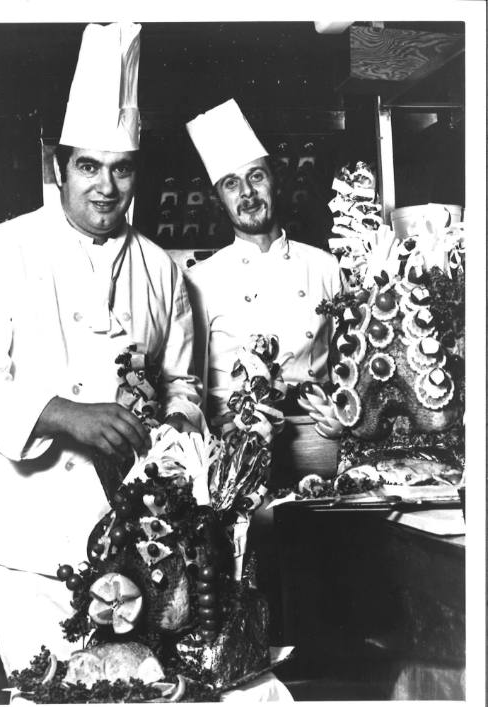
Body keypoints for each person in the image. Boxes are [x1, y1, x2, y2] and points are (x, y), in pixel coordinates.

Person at [0, 23, 202, 678]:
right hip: (33, 544)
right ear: (58, 165)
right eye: (88, 166)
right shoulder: (5, 250)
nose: (106, 187)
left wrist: (180, 439)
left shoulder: (162, 270)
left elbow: (184, 387)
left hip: (139, 553)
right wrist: (59, 411)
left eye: (121, 168)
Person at [185, 98, 342, 640]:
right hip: (241, 464)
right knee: (256, 600)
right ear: (218, 198)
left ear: (275, 180)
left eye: (255, 177)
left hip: (321, 455)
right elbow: (190, 384)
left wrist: (343, 417)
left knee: (325, 599)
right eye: (232, 184)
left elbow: (350, 369)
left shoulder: (325, 268)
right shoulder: (201, 281)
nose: (247, 193)